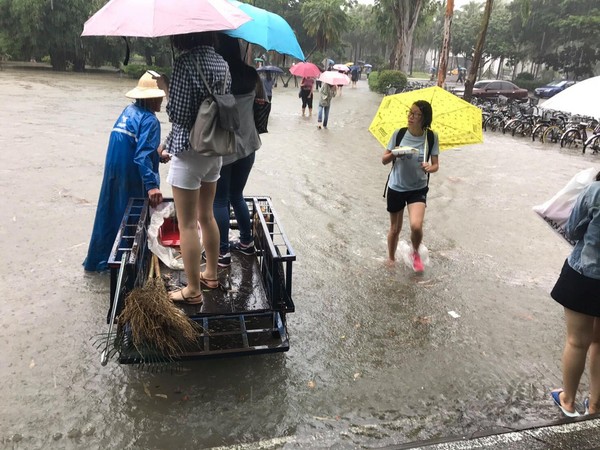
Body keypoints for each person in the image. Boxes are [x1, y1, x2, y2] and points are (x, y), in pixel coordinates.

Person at [163, 31, 230, 305]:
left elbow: (178, 114)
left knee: (187, 223)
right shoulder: (222, 63)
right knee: (207, 216)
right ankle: (211, 274)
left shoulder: (185, 63)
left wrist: (168, 89)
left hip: (189, 151)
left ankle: (192, 289)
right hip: (214, 149)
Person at [83, 71, 166, 272]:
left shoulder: (128, 112)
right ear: (151, 98)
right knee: (132, 218)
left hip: (114, 169)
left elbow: (137, 148)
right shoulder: (150, 120)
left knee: (110, 212)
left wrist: (158, 155)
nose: (162, 101)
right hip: (131, 173)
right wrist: (152, 186)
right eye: (159, 97)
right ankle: (124, 266)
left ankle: (99, 262)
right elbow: (141, 156)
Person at [550, 170, 600, 417]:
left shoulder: (595, 191)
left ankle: (568, 400)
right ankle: (595, 406)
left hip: (585, 274)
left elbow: (572, 229)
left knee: (577, 341)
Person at [212, 33, 264, 267]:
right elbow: (262, 102)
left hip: (224, 148)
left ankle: (221, 253)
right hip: (248, 146)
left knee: (220, 200)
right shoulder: (251, 74)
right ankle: (246, 242)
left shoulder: (218, 76)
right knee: (236, 195)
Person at [381, 100, 439, 272]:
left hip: (418, 188)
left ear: (424, 118)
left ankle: (415, 252)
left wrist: (430, 167)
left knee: (416, 225)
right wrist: (395, 153)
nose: (411, 117)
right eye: (410, 112)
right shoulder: (399, 133)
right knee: (395, 228)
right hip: (396, 186)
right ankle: (391, 259)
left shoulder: (431, 136)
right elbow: (384, 160)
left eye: (415, 114)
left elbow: (435, 165)